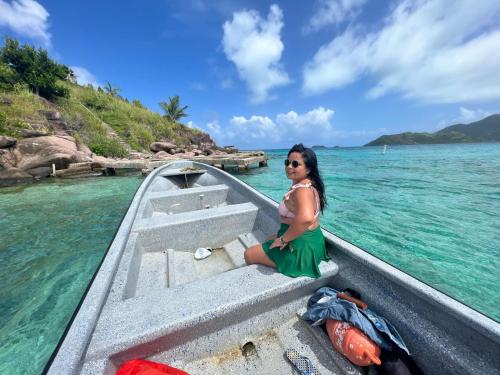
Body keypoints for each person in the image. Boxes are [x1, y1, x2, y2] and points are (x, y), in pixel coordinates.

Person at [244, 143, 330, 278]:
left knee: (248, 254)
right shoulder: (310, 184)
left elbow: (306, 218)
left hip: (302, 248)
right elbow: (308, 217)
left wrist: (283, 240)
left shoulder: (302, 191)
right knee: (270, 238)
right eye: (287, 162)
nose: (289, 167)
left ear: (308, 169)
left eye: (295, 164)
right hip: (314, 240)